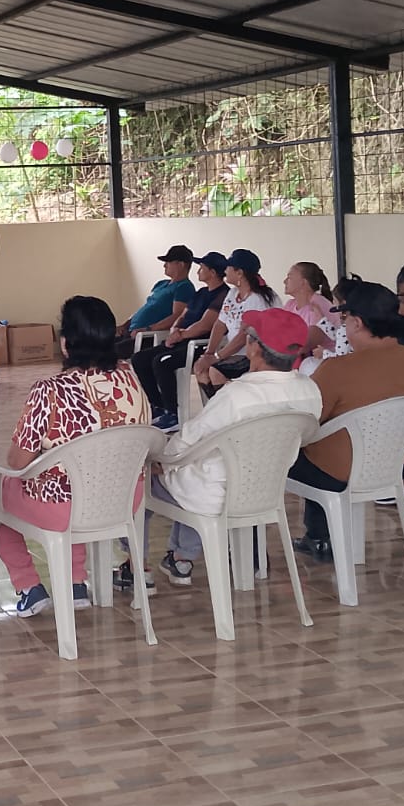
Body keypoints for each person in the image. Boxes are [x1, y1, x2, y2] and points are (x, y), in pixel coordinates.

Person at [0, 297, 150, 618]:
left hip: (65, 508)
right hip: (124, 499)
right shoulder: (130, 376)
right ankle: (74, 584)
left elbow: (18, 461)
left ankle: (28, 587)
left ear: (64, 343)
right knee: (76, 479)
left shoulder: (50, 389)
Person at [146, 311, 322, 586]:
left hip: (216, 493)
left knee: (152, 479)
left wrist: (159, 460)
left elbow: (188, 441)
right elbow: (308, 436)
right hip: (265, 490)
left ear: (254, 348)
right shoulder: (309, 389)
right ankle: (180, 556)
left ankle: (137, 565)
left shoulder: (238, 395)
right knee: (192, 472)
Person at [289, 282, 404, 560]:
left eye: (345, 320)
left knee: (291, 450)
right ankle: (320, 535)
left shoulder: (336, 369)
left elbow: (307, 420)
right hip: (391, 466)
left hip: (336, 473)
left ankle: (315, 538)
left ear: (357, 323)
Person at [130, 250, 229, 429]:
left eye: (202, 268)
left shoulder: (223, 295)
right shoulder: (201, 293)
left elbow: (205, 325)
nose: (198, 271)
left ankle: (173, 414)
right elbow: (182, 315)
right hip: (180, 340)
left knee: (162, 361)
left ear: (213, 272)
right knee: (140, 358)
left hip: (198, 344)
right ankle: (157, 406)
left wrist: (181, 335)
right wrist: (175, 330)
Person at [193, 249, 276, 398]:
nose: (225, 270)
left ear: (239, 273)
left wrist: (217, 357)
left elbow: (244, 336)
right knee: (200, 368)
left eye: (229, 267)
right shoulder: (232, 293)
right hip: (234, 353)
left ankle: (229, 405)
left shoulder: (257, 299)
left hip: (254, 354)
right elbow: (220, 323)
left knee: (215, 370)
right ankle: (217, 406)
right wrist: (209, 353)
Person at [122, 245, 197, 338]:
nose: (164, 265)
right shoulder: (160, 284)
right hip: (132, 331)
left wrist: (148, 329)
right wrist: (125, 325)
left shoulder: (184, 287)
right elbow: (147, 307)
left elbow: (178, 316)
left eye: (168, 262)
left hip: (146, 336)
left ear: (181, 264)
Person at [282, 261, 335, 331]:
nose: (284, 281)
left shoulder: (318, 306)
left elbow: (312, 337)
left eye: (289, 277)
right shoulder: (290, 305)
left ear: (303, 282)